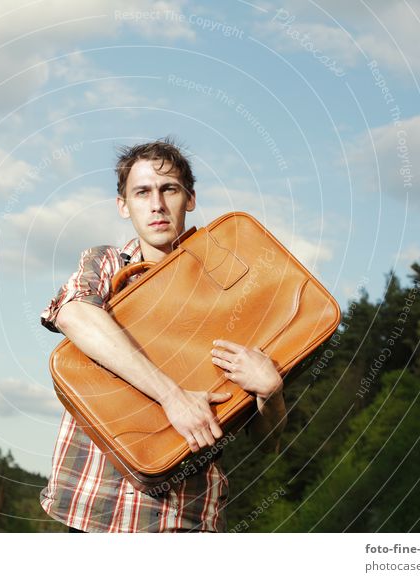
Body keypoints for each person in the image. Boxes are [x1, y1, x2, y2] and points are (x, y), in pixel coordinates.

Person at [39, 137, 287, 533]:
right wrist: (173, 397)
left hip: (184, 518)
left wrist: (270, 393)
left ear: (189, 199)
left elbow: (268, 442)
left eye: (168, 189)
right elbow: (73, 314)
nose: (156, 204)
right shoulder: (106, 262)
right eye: (142, 192)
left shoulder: (231, 292)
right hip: (95, 509)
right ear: (124, 206)